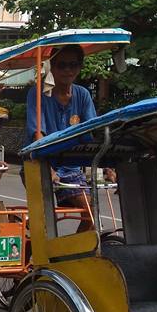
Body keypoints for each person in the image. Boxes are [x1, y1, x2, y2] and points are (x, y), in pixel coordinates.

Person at [24, 44, 96, 232]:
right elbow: (37, 134)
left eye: (73, 65)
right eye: (62, 65)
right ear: (52, 67)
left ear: (79, 67)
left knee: (91, 213)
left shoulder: (83, 95)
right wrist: (47, 168)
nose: (68, 70)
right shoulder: (38, 93)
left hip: (71, 166)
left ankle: (73, 254)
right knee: (44, 220)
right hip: (39, 162)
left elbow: (93, 131)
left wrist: (109, 165)